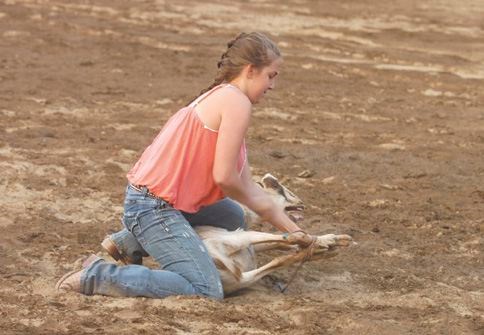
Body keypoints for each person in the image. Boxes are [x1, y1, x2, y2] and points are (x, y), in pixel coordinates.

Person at [56, 32, 311, 299]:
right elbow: (225, 178)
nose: (273, 85)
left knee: (233, 217)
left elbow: (248, 187)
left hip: (154, 199)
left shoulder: (225, 96)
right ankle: (97, 275)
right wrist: (294, 234)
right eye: (271, 75)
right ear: (250, 70)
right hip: (153, 206)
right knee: (205, 289)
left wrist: (298, 234)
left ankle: (128, 242)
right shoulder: (237, 103)